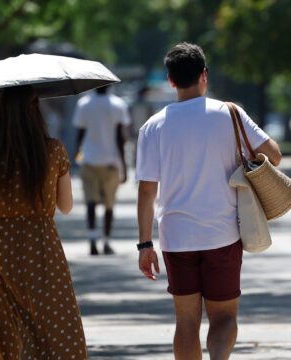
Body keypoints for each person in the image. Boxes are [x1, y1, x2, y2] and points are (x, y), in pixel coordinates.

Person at [136, 42, 282, 360]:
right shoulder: (229, 114)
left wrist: (144, 244)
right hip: (223, 234)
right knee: (225, 316)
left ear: (171, 80)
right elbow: (274, 155)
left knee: (186, 321)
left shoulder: (152, 127)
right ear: (205, 75)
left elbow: (147, 192)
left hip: (176, 238)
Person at [0, 85, 87, 360]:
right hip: (42, 245)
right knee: (54, 326)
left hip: (3, 248)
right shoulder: (54, 150)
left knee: (9, 329)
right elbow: (66, 207)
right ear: (36, 111)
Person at [73, 85, 131, 255]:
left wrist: (77, 155)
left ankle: (92, 238)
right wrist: (124, 167)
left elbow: (80, 133)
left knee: (90, 202)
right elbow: (120, 137)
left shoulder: (84, 104)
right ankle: (106, 241)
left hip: (89, 160)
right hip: (111, 162)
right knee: (109, 205)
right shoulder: (118, 104)